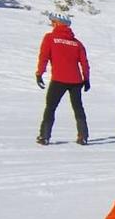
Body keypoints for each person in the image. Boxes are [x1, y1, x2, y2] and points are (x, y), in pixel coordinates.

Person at [35, 12, 90, 145]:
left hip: (58, 80)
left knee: (51, 107)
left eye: (53, 22)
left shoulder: (50, 38)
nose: (52, 24)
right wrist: (86, 79)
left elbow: (44, 57)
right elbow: (84, 63)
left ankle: (44, 136)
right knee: (78, 108)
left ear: (58, 24)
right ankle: (83, 136)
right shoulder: (77, 43)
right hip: (76, 81)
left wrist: (39, 73)